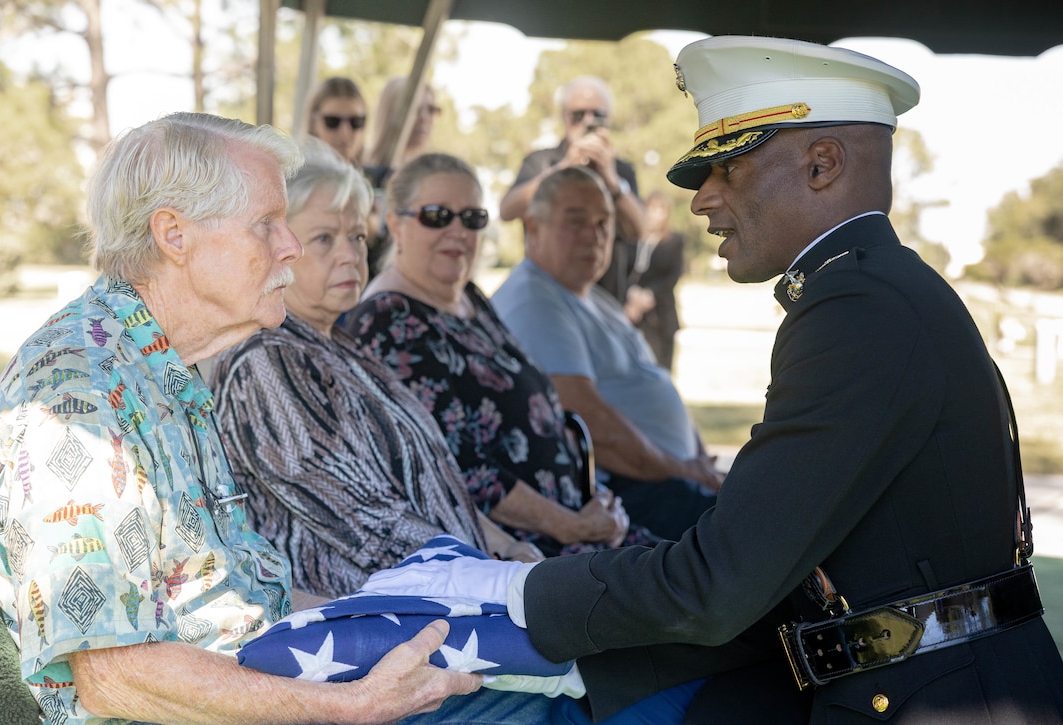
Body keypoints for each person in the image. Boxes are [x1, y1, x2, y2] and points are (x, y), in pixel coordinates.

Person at [360, 36, 1063, 723]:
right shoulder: (875, 290)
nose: (703, 200)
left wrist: (513, 592)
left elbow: (720, 582)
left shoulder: (854, 308)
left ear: (822, 164)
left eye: (730, 168)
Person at [0, 112, 549, 725]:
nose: (292, 247)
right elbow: (115, 675)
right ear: (173, 235)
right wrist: (349, 705)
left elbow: (235, 597)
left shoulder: (161, 367)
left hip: (264, 677)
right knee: (568, 702)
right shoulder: (77, 397)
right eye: (266, 225)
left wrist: (395, 620)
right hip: (207, 709)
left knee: (577, 678)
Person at [208, 139, 539, 600]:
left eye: (357, 237)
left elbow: (430, 483)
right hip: (368, 629)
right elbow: (362, 520)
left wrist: (503, 546)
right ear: (277, 247)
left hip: (440, 598)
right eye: (324, 238)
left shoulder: (342, 347)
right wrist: (491, 578)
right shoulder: (266, 361)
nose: (350, 254)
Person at [344, 152, 662, 559]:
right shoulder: (385, 320)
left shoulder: (469, 298)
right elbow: (450, 470)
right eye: (437, 216)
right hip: (518, 556)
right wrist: (570, 525)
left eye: (472, 218)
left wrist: (597, 503)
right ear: (396, 223)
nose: (457, 232)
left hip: (580, 527)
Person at [493, 165, 722, 540]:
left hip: (666, 479)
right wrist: (682, 469)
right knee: (766, 533)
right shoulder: (535, 300)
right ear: (533, 228)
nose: (594, 236)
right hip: (626, 494)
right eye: (576, 221)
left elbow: (651, 382)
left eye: (603, 223)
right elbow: (588, 423)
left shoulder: (593, 298)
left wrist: (697, 461)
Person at [498, 76, 644, 304]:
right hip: (546, 294)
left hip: (606, 297)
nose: (588, 122)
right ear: (564, 117)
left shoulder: (621, 169)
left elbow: (641, 230)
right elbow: (507, 210)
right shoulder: (541, 161)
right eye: (578, 115)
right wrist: (563, 168)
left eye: (598, 115)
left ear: (610, 119)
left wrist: (612, 180)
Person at [362, 76, 442, 278]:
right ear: (392, 111)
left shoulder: (435, 179)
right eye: (415, 108)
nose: (424, 117)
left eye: (431, 109)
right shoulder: (362, 176)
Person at [623, 190, 685, 370]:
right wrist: (631, 295)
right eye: (650, 208)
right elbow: (623, 271)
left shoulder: (674, 241)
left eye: (659, 209)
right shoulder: (632, 240)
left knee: (659, 368)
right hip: (631, 314)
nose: (654, 214)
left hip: (659, 316)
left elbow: (673, 276)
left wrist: (648, 295)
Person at [305, 76, 369, 167]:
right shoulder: (291, 177)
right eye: (332, 121)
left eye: (355, 122)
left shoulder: (380, 179)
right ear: (313, 123)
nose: (345, 133)